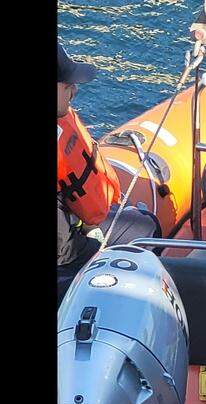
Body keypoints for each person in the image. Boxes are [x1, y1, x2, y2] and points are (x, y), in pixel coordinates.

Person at [57, 42, 159, 306]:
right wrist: (93, 247)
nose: (75, 90)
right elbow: (61, 250)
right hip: (67, 260)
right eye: (68, 86)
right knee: (146, 228)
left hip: (74, 230)